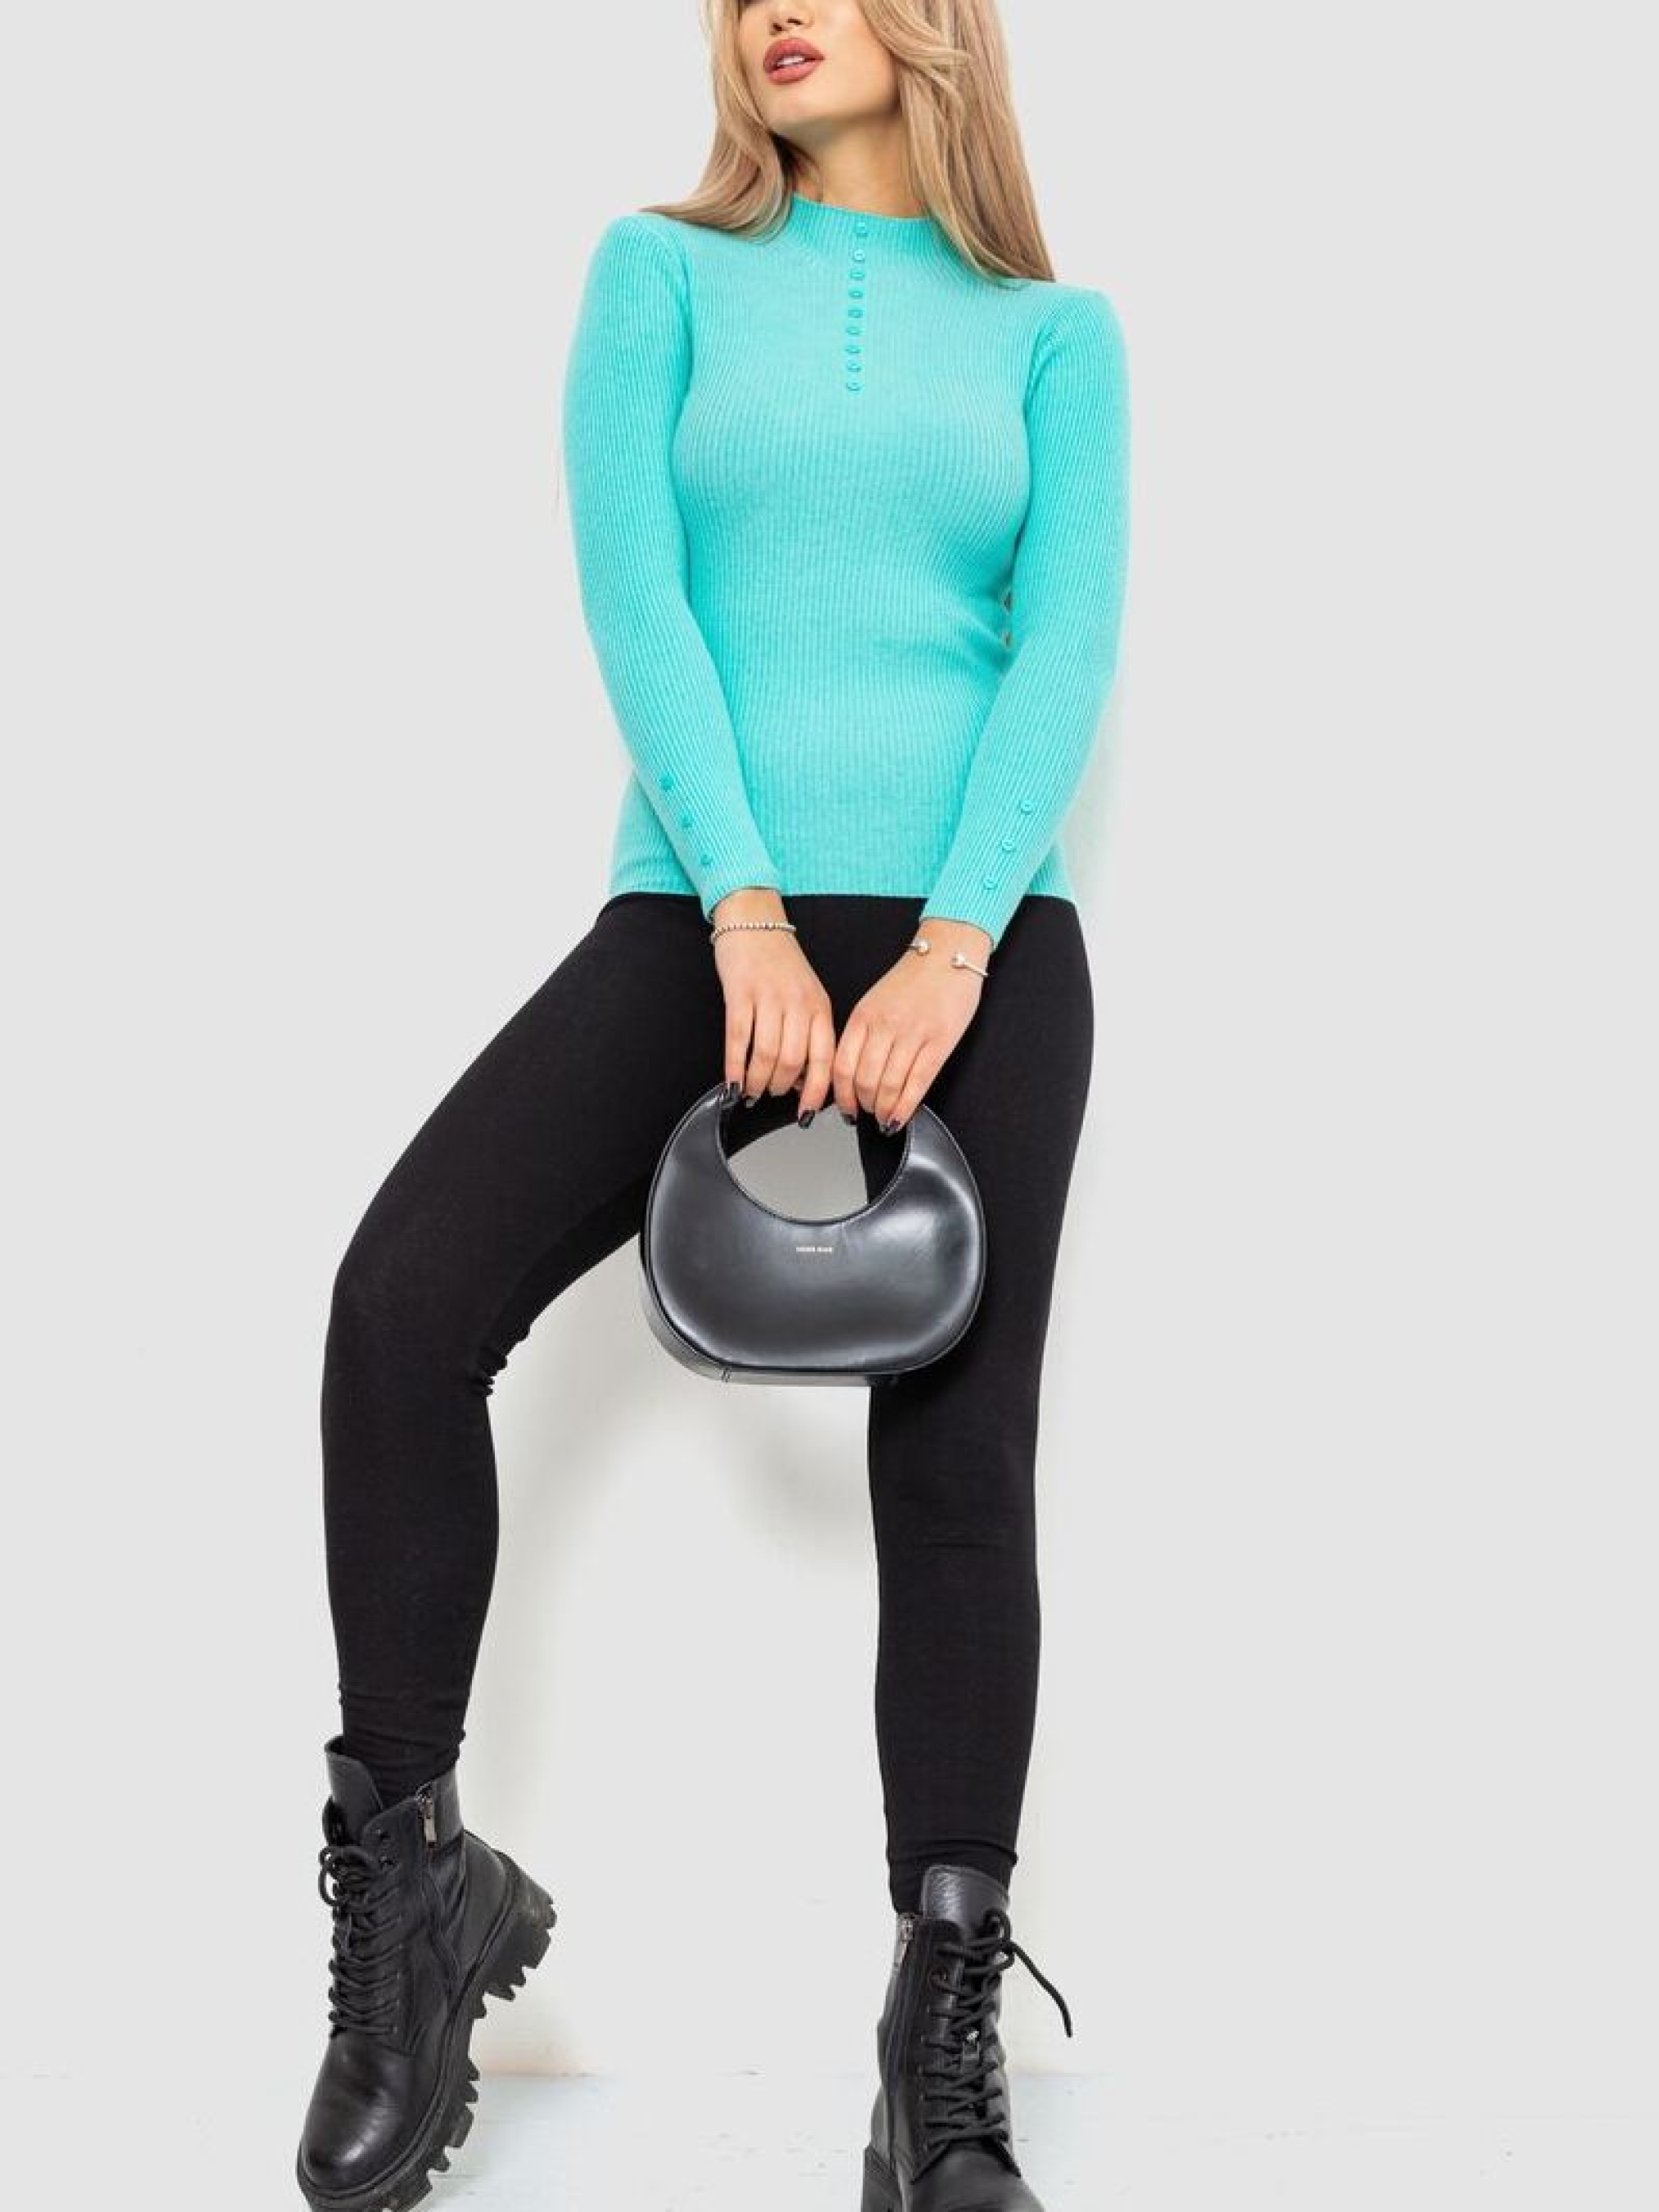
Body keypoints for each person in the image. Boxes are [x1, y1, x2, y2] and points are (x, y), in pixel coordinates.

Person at [293, 3, 1130, 2207]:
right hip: (703, 904)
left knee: (957, 1456)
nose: (778, 8)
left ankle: (935, 2043)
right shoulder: (657, 274)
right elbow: (638, 594)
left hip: (980, 940)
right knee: (403, 1309)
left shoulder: (1056, 335)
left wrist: (949, 945)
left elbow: (1061, 647)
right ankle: (411, 1894)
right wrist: (742, 905)